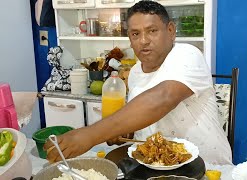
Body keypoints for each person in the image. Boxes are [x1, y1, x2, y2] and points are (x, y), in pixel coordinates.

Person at [44, 0, 232, 165]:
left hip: (208, 165)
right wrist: (128, 131)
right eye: (135, 34)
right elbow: (145, 116)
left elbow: (162, 98)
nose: (143, 41)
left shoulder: (187, 54)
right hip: (157, 165)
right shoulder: (134, 72)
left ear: (171, 31)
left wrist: (90, 135)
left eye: (152, 31)